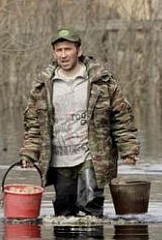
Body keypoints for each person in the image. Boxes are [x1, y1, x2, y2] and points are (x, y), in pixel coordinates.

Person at [18, 27, 140, 217]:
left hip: (92, 156)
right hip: (59, 159)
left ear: (79, 51)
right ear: (54, 53)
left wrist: (128, 150)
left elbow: (121, 117)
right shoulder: (43, 86)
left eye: (68, 49)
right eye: (59, 50)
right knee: (64, 212)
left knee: (90, 207)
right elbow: (34, 125)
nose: (63, 55)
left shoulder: (101, 82)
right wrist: (29, 153)